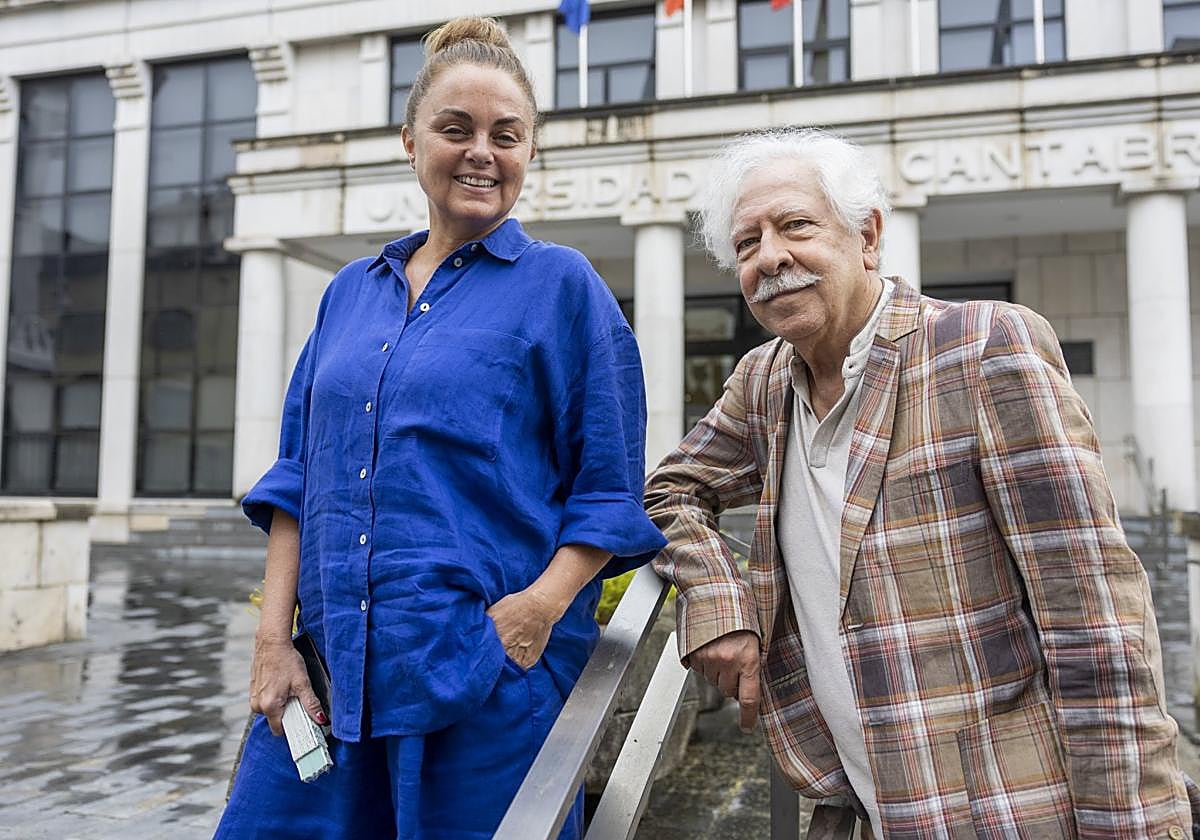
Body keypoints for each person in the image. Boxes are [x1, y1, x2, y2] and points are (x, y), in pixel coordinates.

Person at [645, 127, 1193, 839]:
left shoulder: (984, 347)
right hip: (861, 808)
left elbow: (1095, 621)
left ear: (867, 236)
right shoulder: (764, 379)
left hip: (1014, 814)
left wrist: (1135, 826)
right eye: (747, 244)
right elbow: (671, 490)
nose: (771, 257)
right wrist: (722, 603)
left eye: (796, 226)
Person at [216, 17, 665, 839]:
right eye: (455, 129)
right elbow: (296, 478)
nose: (481, 152)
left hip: (481, 682)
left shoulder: (564, 288)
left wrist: (536, 611)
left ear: (531, 150)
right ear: (409, 139)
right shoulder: (350, 290)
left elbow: (607, 491)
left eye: (507, 134)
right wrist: (272, 645)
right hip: (327, 676)